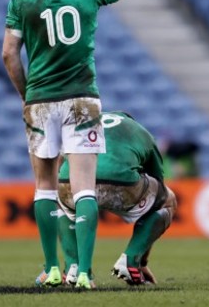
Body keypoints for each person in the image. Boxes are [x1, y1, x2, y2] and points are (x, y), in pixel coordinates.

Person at [2, 0, 141, 289]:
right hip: (81, 97)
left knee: (45, 187)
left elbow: (8, 53)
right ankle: (83, 273)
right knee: (83, 190)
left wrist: (25, 93)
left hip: (41, 100)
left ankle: (51, 268)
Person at [57, 112, 177, 286]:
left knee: (61, 200)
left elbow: (61, 162)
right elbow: (158, 184)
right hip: (120, 181)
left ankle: (72, 267)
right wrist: (142, 260)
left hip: (72, 181)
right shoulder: (141, 132)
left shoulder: (87, 122)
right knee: (167, 200)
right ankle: (131, 260)